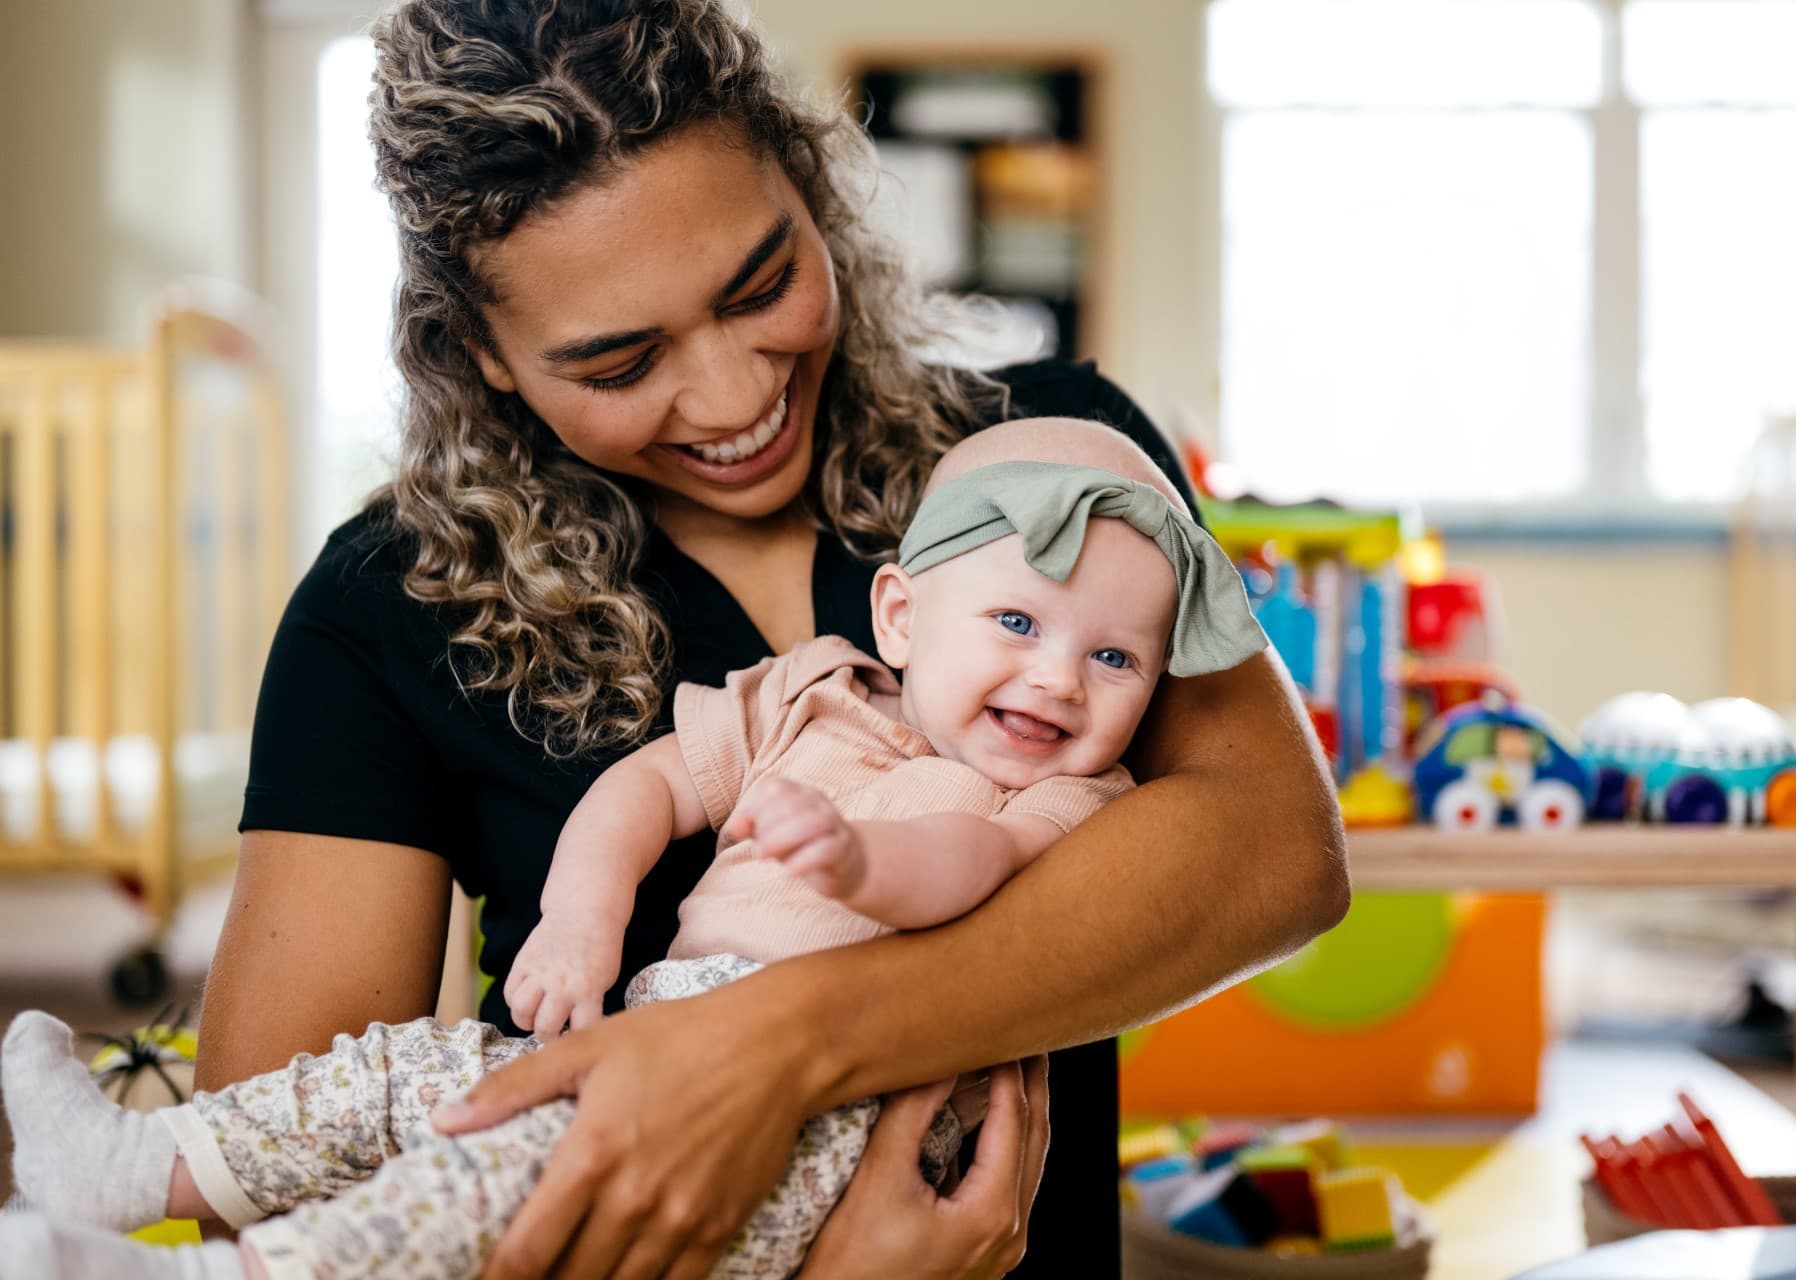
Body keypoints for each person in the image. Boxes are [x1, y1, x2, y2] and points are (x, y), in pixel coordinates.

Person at [175, 2, 1348, 1277]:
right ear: (483, 354)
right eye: (620, 363)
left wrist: (779, 1041)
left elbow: (1277, 849)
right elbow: (269, 1202)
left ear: (809, 187)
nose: (738, 396)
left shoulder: (1050, 458)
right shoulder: (386, 608)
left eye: (763, 284)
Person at [0, 419, 1273, 1280]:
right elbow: (647, 788)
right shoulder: (815, 691)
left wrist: (853, 863)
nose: (1059, 678)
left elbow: (966, 869)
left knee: (492, 1188)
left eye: (1116, 657)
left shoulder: (1067, 797)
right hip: (653, 1024)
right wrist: (583, 921)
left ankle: (231, 1276)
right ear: (899, 609)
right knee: (409, 1075)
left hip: (832, 1124)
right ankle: (131, 1163)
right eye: (1015, 620)